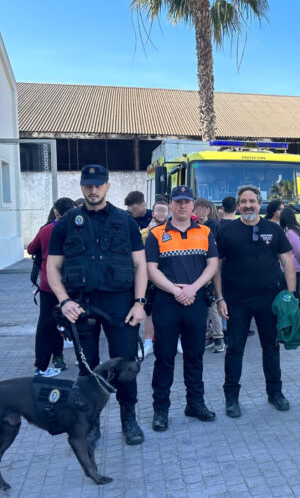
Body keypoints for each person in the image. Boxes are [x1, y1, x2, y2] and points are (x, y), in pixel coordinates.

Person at [46, 164, 147, 446]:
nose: (93, 190)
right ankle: (91, 424)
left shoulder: (125, 221)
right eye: (88, 185)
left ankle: (129, 419)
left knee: (125, 365)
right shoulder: (66, 223)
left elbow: (140, 265)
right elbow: (52, 267)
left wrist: (139, 303)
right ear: (81, 187)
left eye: (98, 185)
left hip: (120, 304)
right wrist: (64, 301)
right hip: (81, 305)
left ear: (107, 186)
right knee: (87, 368)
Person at [214, 186, 297, 418]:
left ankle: (275, 393)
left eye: (252, 201)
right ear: (238, 205)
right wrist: (219, 298)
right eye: (243, 201)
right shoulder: (226, 230)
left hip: (269, 301)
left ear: (260, 204)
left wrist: (290, 295)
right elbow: (216, 267)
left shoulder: (274, 229)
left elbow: (287, 262)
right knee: (234, 349)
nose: (248, 205)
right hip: (236, 301)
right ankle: (231, 398)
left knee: (271, 347)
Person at [145, 186, 220, 431]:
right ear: (171, 204)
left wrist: (193, 289)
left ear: (193, 205)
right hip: (166, 302)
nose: (182, 206)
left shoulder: (205, 232)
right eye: (178, 202)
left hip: (195, 301)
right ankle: (161, 410)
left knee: (195, 356)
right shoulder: (156, 234)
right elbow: (151, 269)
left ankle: (195, 404)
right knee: (164, 358)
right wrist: (176, 291)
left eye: (187, 202)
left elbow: (212, 265)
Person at [27, 197, 77, 377]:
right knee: (77, 321)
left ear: (56, 213)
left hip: (49, 285)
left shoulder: (47, 230)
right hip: (72, 284)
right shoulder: (78, 229)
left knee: (46, 325)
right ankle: (85, 360)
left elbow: (31, 249)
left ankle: (42, 365)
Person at [193, 198, 225, 353]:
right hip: (197, 270)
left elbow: (218, 251)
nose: (196, 211)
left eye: (199, 208)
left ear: (206, 210)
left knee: (211, 303)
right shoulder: (193, 225)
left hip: (211, 269)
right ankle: (207, 335)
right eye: (195, 208)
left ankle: (219, 337)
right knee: (202, 303)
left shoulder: (214, 226)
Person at [140, 198, 170, 357]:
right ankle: (147, 341)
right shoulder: (145, 232)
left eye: (164, 211)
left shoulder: (173, 230)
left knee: (171, 309)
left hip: (168, 275)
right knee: (149, 310)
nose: (161, 213)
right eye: (158, 210)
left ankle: (173, 340)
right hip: (150, 277)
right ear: (153, 212)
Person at [280, 208, 300, 312]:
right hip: (295, 267)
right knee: (294, 293)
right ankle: (295, 314)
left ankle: (295, 315)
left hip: (292, 268)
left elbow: (298, 251)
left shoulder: (291, 232)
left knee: (292, 293)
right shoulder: (296, 229)